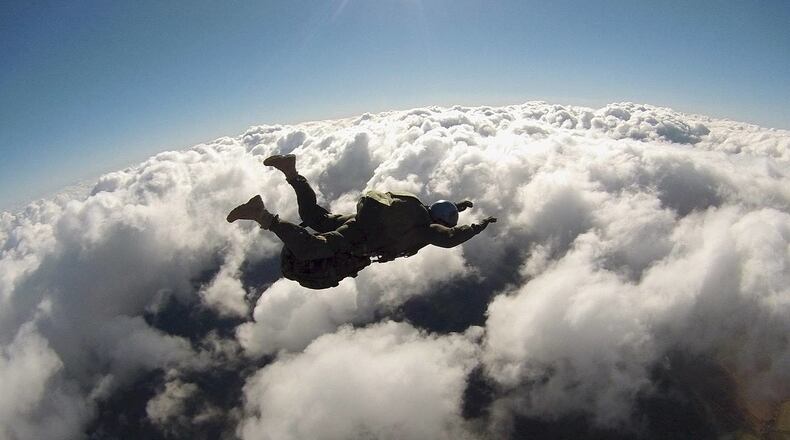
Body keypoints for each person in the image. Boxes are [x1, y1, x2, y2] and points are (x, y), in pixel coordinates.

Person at [227, 154, 497, 289]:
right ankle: (261, 214)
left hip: (358, 221)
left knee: (314, 217)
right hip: (359, 238)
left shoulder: (417, 209)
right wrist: (477, 227)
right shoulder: (427, 230)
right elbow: (450, 238)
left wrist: (459, 205)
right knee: (312, 248)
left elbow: (440, 208)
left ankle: (291, 171)